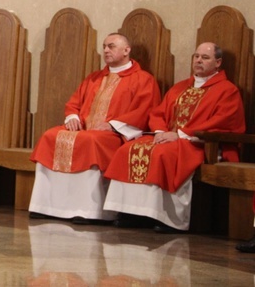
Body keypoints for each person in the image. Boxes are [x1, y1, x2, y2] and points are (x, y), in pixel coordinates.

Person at [103, 42, 245, 233]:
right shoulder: (180, 88)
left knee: (163, 154)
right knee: (129, 149)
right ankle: (132, 213)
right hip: (169, 138)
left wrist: (179, 134)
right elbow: (158, 113)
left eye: (205, 57)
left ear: (218, 62)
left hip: (200, 143)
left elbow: (223, 121)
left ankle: (167, 217)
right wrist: (161, 131)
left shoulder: (227, 90)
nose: (198, 61)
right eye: (196, 56)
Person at [29, 33, 160, 222]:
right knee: (50, 136)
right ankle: (45, 205)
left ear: (126, 50)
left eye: (112, 46)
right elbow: (74, 102)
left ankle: (89, 210)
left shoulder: (143, 80)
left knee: (89, 140)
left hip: (115, 135)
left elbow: (145, 110)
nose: (106, 50)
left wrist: (114, 124)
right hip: (86, 130)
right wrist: (73, 116)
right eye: (104, 46)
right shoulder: (95, 78)